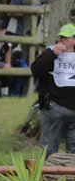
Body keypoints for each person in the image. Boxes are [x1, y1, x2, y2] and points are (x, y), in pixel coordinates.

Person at [30, 23, 75, 157]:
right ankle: (46, 170)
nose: (62, 40)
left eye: (66, 37)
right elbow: (36, 70)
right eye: (61, 37)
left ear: (74, 40)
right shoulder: (49, 51)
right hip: (54, 108)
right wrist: (53, 54)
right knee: (48, 151)